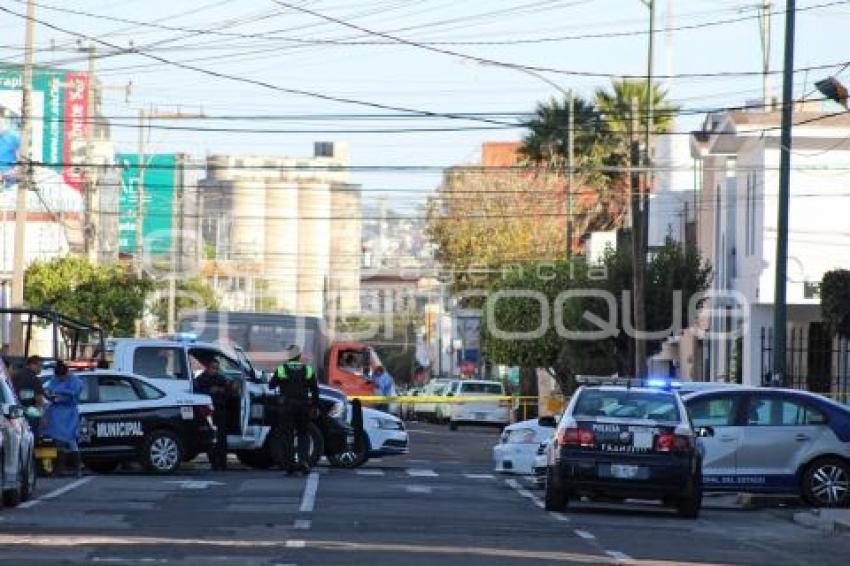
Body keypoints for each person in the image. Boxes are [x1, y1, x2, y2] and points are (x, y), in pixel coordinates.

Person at [271, 344, 319, 475]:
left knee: (287, 435)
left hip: (286, 408)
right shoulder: (308, 370)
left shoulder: (282, 369)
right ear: (299, 356)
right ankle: (303, 462)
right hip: (303, 407)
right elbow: (315, 390)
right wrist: (315, 407)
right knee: (303, 434)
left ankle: (290, 465)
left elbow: (271, 385)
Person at [43, 361, 83, 477]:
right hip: (56, 412)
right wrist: (51, 396)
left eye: (62, 377)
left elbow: (74, 393)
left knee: (70, 439)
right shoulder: (54, 379)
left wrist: (61, 397)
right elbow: (49, 388)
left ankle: (78, 468)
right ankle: (59, 469)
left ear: (66, 373)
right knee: (58, 440)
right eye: (58, 377)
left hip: (69, 412)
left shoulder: (75, 381)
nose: (60, 379)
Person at [194, 358, 230, 470]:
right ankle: (214, 462)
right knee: (211, 437)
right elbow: (196, 393)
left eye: (217, 368)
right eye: (213, 368)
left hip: (220, 409)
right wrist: (210, 391)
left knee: (222, 437)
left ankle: (223, 463)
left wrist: (220, 390)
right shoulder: (200, 379)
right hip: (207, 411)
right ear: (207, 367)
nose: (215, 370)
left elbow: (228, 390)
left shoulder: (221, 378)